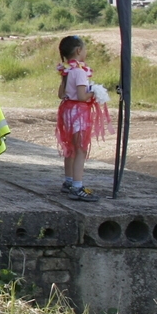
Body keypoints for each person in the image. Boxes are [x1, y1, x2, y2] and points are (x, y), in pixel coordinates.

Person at [55, 35, 110, 202]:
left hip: (67, 111)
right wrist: (95, 91)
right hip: (78, 113)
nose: (86, 52)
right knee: (80, 149)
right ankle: (77, 187)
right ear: (79, 50)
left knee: (70, 147)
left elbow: (60, 94)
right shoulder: (79, 72)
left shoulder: (67, 71)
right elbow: (81, 96)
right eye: (84, 49)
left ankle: (69, 181)